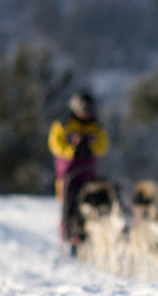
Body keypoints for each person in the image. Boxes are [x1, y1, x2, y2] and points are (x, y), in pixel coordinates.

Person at [48, 91, 109, 245]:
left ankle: (90, 237)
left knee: (92, 203)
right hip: (68, 173)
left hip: (88, 173)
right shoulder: (63, 124)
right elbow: (55, 145)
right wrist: (72, 149)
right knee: (69, 204)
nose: (86, 115)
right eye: (83, 111)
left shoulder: (97, 126)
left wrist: (90, 148)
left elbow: (103, 146)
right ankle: (68, 236)